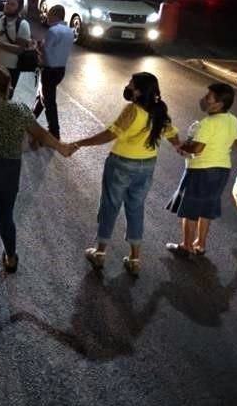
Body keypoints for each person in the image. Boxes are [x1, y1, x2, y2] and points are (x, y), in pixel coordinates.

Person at [0, 67, 74, 278]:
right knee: (5, 217)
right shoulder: (21, 110)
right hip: (9, 173)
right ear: (9, 87)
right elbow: (41, 134)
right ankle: (11, 257)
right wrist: (62, 147)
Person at [70, 72, 180, 276]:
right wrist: (180, 146)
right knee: (136, 208)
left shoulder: (133, 109)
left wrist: (79, 143)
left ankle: (100, 253)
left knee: (110, 206)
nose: (128, 85)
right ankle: (135, 259)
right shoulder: (159, 110)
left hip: (122, 164)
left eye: (131, 83)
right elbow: (172, 134)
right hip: (147, 165)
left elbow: (110, 134)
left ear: (138, 90)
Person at [166, 83, 237, 256]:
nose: (204, 99)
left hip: (201, 171)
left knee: (189, 209)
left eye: (208, 97)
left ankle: (186, 245)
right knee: (206, 207)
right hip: (222, 171)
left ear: (218, 104)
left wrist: (182, 147)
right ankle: (200, 244)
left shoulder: (207, 123)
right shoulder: (232, 119)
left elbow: (197, 149)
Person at [33, 4, 72, 139]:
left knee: (49, 102)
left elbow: (46, 51)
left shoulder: (53, 31)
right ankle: (30, 121)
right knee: (42, 96)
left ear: (54, 15)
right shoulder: (69, 31)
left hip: (49, 70)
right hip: (60, 70)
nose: (47, 17)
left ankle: (54, 133)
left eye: (48, 14)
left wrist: (37, 48)